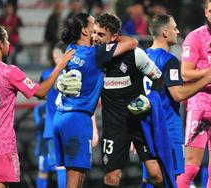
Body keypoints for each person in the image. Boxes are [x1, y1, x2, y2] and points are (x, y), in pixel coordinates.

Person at [0, 21, 76, 188]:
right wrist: (60, 65)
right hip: (0, 142)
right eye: (7, 40)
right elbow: (41, 91)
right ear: (0, 45)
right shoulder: (9, 72)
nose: (9, 43)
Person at [139, 13, 211, 188]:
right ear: (165, 33)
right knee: (174, 176)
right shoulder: (170, 60)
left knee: (150, 178)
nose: (177, 31)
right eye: (174, 28)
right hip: (166, 126)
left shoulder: (142, 57)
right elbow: (178, 95)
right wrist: (207, 79)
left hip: (146, 125)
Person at [52, 12, 138, 188]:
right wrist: (114, 37)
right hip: (77, 119)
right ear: (84, 30)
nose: (95, 31)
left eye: (100, 32)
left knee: (76, 175)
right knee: (74, 180)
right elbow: (132, 42)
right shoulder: (96, 53)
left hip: (62, 115)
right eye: (93, 26)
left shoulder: (70, 48)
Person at [91, 13, 166, 188]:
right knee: (111, 178)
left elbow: (159, 79)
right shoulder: (94, 58)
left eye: (101, 35)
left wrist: (149, 100)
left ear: (114, 37)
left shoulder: (135, 55)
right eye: (94, 33)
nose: (95, 38)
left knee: (156, 175)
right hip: (114, 127)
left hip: (140, 122)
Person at [176, 0, 211, 187]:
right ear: (206, 12)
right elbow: (185, 73)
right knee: (190, 168)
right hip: (200, 107)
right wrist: (210, 73)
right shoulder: (195, 37)